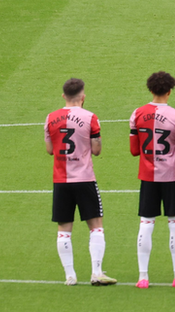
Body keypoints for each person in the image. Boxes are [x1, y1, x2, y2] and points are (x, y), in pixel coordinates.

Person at [45, 78, 116, 286]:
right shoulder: (91, 118)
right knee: (96, 226)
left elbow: (50, 150)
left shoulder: (50, 118)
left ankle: (70, 276)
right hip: (85, 179)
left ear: (63, 96)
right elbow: (96, 150)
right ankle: (96, 272)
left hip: (61, 181)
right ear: (83, 97)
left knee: (64, 229)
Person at [129, 71, 175, 289]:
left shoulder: (137, 113)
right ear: (170, 91)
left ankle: (143, 277)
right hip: (170, 177)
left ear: (150, 89)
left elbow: (134, 151)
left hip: (147, 177)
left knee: (146, 224)